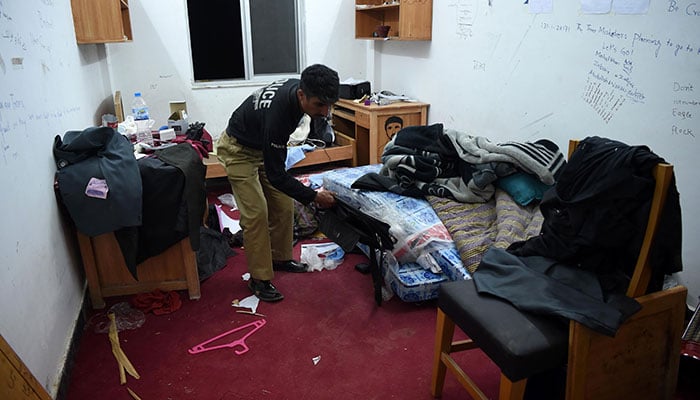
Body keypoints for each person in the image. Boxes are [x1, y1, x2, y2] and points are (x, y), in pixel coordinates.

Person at [216, 64, 339, 302]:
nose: (325, 112)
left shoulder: (302, 88)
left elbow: (277, 172)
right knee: (256, 213)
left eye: (329, 104)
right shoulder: (279, 115)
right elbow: (277, 176)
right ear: (302, 95)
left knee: (284, 203)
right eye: (319, 105)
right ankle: (259, 279)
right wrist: (314, 197)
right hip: (238, 150)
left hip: (261, 145)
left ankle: (280, 258)